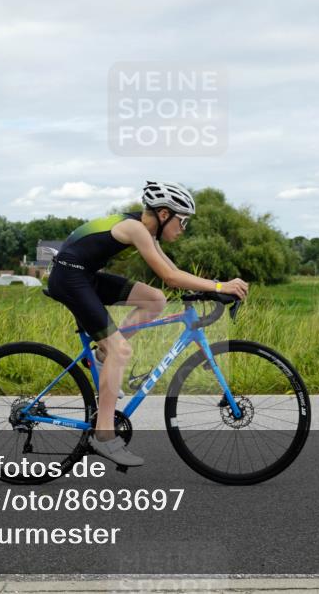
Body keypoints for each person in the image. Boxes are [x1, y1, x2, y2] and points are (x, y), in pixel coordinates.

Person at [45, 180, 249, 466]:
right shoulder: (135, 229)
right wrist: (219, 286)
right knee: (121, 351)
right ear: (164, 214)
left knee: (154, 299)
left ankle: (103, 356)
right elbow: (172, 278)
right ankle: (103, 435)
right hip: (70, 279)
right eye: (182, 221)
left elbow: (173, 272)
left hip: (84, 276)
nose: (183, 228)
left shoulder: (146, 232)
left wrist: (210, 288)